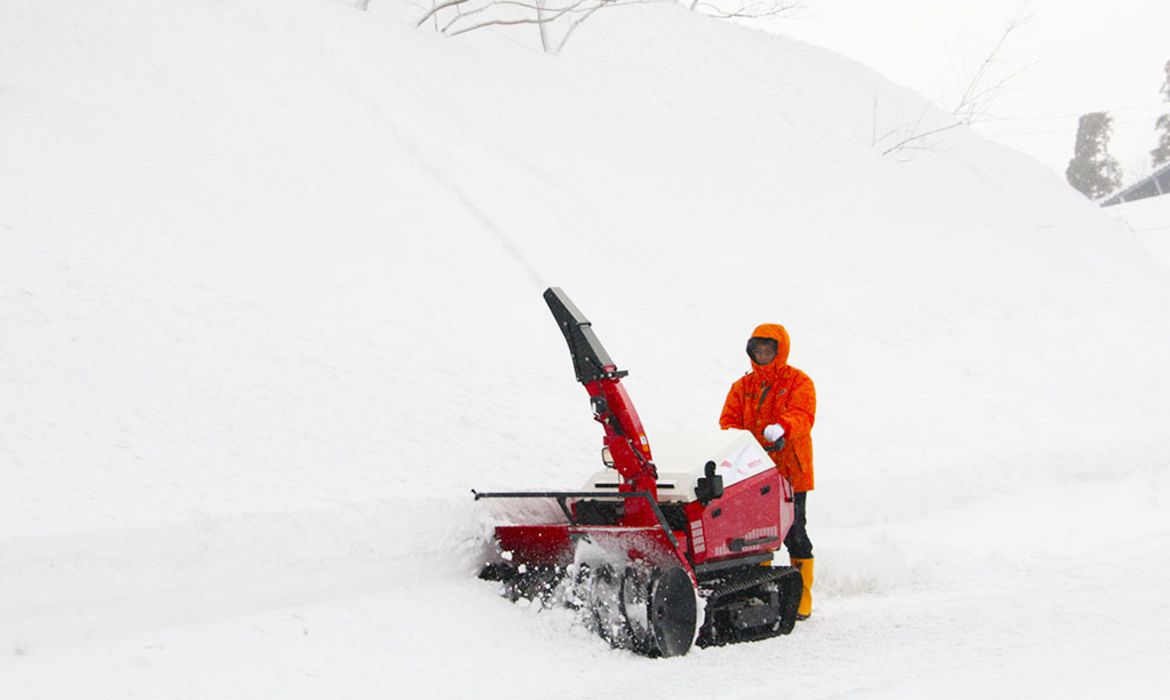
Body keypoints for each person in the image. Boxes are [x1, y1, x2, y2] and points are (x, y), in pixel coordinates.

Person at [719, 323, 816, 620]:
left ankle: (801, 597)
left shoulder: (799, 382)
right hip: (751, 474)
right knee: (754, 533)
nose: (762, 354)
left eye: (768, 349)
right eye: (757, 350)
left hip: (790, 471)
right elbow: (728, 422)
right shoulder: (742, 387)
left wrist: (782, 428)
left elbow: (803, 416)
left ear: (780, 351)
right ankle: (760, 590)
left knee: (794, 531)